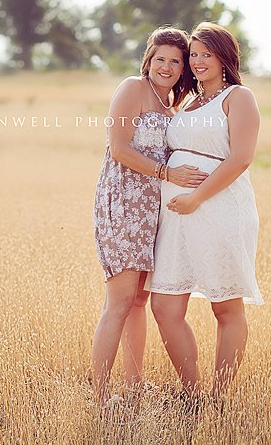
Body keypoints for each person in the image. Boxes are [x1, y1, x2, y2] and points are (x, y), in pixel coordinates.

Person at [90, 26, 209, 407]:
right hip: (123, 205)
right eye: (161, 59)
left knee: (139, 301)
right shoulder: (133, 88)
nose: (168, 66)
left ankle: (135, 387)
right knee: (120, 300)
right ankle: (101, 397)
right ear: (148, 60)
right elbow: (120, 149)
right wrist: (168, 174)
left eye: (176, 61)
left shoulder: (169, 104)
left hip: (153, 213)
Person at [148, 21, 264, 405]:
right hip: (177, 217)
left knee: (225, 305)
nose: (197, 62)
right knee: (164, 306)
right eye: (193, 55)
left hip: (219, 210)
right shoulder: (189, 101)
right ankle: (193, 393)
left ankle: (219, 397)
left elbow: (241, 158)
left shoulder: (238, 97)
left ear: (224, 58)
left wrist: (196, 198)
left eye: (205, 54)